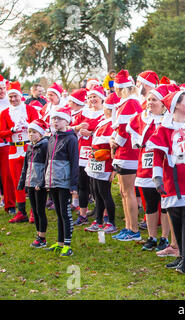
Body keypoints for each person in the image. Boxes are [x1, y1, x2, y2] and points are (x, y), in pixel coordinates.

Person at [148, 90, 185, 274]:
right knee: (175, 216)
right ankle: (181, 255)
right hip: (172, 178)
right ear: (177, 106)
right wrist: (157, 177)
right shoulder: (164, 129)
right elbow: (157, 155)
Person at [127, 84, 174, 251]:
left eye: (154, 100)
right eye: (148, 99)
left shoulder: (169, 120)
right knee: (150, 203)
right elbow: (131, 130)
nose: (150, 102)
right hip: (145, 165)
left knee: (165, 202)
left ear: (163, 103)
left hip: (162, 166)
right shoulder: (142, 117)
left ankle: (165, 237)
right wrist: (137, 143)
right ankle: (152, 236)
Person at [0, 81, 40, 223]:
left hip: (29, 148)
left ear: (20, 96)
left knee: (32, 180)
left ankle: (34, 212)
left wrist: (29, 126)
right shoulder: (5, 113)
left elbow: (40, 126)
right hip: (13, 149)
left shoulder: (29, 110)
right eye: (10, 97)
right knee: (17, 181)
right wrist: (11, 130)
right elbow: (1, 133)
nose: (13, 99)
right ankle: (21, 211)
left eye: (15, 96)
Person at [110, 70, 142, 241]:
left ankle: (134, 229)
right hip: (124, 151)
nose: (114, 90)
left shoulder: (130, 102)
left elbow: (127, 129)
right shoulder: (126, 102)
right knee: (123, 191)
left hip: (129, 151)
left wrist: (116, 142)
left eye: (115, 87)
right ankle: (128, 226)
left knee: (128, 191)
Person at [44, 106, 79, 257]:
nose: (55, 121)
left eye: (59, 119)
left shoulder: (71, 139)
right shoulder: (51, 138)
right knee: (58, 212)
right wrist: (46, 180)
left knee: (65, 213)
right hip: (52, 181)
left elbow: (74, 161)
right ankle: (59, 243)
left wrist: (73, 183)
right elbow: (47, 160)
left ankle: (68, 244)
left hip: (64, 182)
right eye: (54, 119)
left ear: (67, 121)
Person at [72, 86, 106, 226]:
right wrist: (79, 128)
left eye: (95, 97)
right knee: (82, 184)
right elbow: (70, 129)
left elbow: (107, 131)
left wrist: (91, 134)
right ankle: (83, 214)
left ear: (101, 98)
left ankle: (102, 214)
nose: (92, 100)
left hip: (97, 153)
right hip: (82, 153)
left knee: (98, 186)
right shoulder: (83, 112)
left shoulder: (105, 113)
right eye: (90, 97)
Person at [84, 92, 118, 234]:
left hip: (105, 163)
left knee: (105, 193)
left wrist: (113, 169)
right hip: (95, 162)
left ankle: (110, 222)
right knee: (96, 193)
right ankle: (98, 220)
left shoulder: (112, 124)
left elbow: (113, 148)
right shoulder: (102, 122)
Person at [18, 119, 49, 247]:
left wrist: (42, 182)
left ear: (41, 133)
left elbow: (47, 166)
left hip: (39, 184)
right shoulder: (30, 146)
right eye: (29, 132)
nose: (31, 134)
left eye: (34, 132)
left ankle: (42, 237)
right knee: (34, 209)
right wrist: (22, 182)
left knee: (40, 210)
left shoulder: (45, 146)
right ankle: (38, 234)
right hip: (30, 182)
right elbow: (26, 166)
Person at [0, 74, 16, 215]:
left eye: (2, 88)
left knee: (7, 175)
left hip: (5, 144)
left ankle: (10, 204)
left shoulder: (10, 104)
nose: (1, 91)